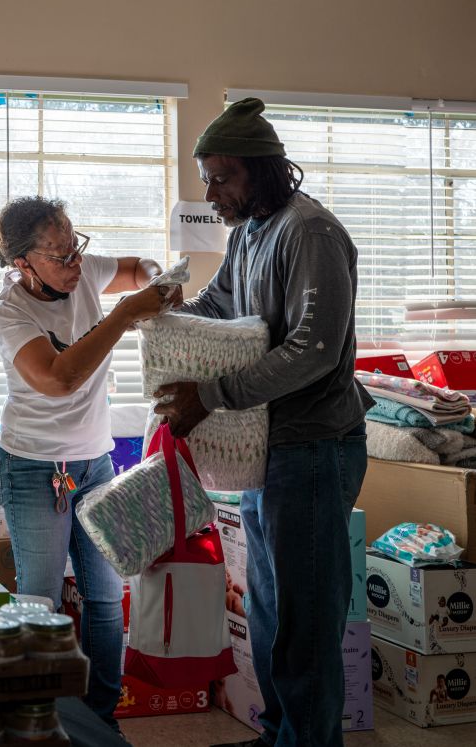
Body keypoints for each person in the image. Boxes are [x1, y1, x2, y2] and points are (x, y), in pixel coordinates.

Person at [153, 98, 373, 747]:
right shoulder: (251, 230)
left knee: (306, 622)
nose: (211, 193)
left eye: (221, 177)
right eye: (207, 179)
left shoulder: (310, 233)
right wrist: (165, 319)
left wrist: (213, 392)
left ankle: (309, 739)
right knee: (273, 609)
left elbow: (315, 348)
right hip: (267, 451)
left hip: (313, 448)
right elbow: (220, 301)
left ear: (262, 170)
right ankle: (284, 732)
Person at [0, 196, 177, 729]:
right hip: (33, 468)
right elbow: (58, 378)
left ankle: (100, 719)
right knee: (41, 597)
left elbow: (137, 268)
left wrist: (157, 280)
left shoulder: (83, 271)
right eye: (58, 256)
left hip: (94, 463)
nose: (75, 264)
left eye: (76, 249)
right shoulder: (12, 313)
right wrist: (125, 313)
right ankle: (41, 720)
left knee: (103, 595)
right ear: (22, 264)